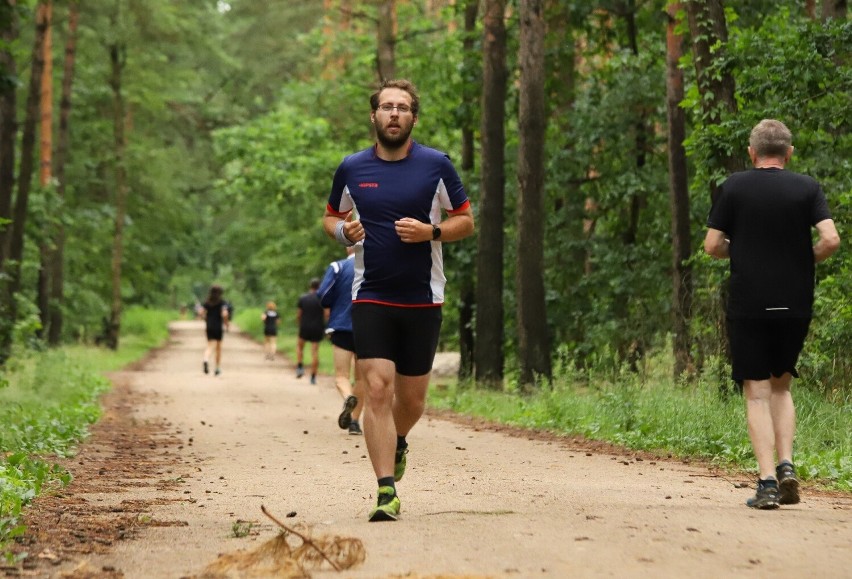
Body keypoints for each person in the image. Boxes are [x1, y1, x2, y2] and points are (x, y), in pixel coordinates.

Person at [322, 79, 475, 522]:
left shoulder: (436, 166)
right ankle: (385, 490)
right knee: (376, 389)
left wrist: (431, 232)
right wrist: (341, 232)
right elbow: (331, 217)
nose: (393, 114)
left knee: (411, 403)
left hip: (423, 298)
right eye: (386, 107)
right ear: (374, 116)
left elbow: (466, 220)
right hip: (371, 295)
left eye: (402, 108)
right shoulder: (352, 167)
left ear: (413, 118)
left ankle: (400, 439)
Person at [704, 119, 840, 510]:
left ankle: (766, 483)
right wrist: (802, 259)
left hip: (749, 302)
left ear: (752, 152)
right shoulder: (807, 188)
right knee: (782, 386)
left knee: (757, 392)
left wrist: (743, 249)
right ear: (789, 153)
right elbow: (830, 239)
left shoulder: (734, 187)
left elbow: (712, 245)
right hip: (794, 302)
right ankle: (787, 465)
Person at [318, 247, 364, 435]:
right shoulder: (376, 266)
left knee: (341, 376)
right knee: (361, 379)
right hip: (369, 328)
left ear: (348, 247)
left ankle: (348, 397)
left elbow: (323, 294)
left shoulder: (338, 266)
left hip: (342, 326)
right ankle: (354, 423)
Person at [296, 278, 325, 384]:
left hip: (305, 326)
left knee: (299, 347)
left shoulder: (303, 298)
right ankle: (313, 377)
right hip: (317, 327)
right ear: (319, 287)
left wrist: (300, 324)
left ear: (310, 286)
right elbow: (327, 314)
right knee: (315, 352)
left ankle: (300, 366)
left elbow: (299, 314)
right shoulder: (322, 299)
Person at [201, 284, 230, 376]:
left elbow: (201, 312)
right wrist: (226, 323)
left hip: (209, 326)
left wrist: (206, 318)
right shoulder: (222, 302)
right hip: (218, 327)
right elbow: (225, 314)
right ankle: (217, 368)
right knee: (218, 348)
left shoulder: (207, 302)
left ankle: (206, 359)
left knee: (209, 345)